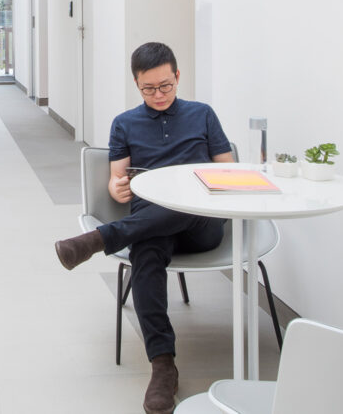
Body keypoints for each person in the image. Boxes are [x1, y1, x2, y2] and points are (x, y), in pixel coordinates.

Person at [54, 42, 233, 414]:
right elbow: (117, 183)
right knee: (147, 255)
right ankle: (163, 366)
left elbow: (229, 173)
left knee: (179, 205)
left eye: (165, 86)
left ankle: (99, 239)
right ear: (136, 84)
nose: (158, 95)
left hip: (202, 225)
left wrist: (197, 183)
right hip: (152, 223)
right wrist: (116, 187)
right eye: (148, 89)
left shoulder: (203, 115)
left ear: (177, 77)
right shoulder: (125, 122)